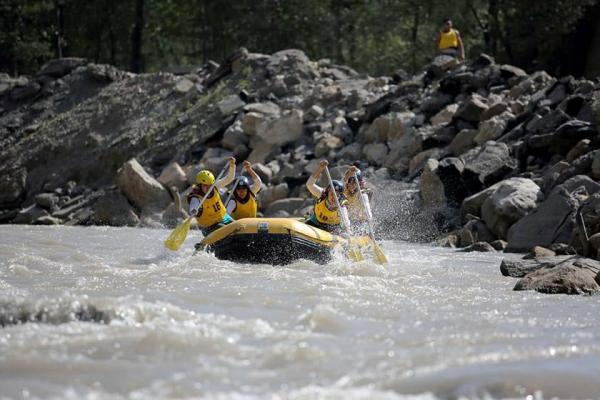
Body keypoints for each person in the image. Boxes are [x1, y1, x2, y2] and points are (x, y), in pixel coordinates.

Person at [187, 157, 236, 236]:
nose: (208, 188)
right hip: (209, 226)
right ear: (200, 185)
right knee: (225, 228)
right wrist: (193, 210)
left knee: (237, 227)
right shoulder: (196, 197)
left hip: (224, 218)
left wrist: (232, 165)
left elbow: (229, 178)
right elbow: (193, 205)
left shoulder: (215, 187)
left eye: (209, 185)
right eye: (205, 186)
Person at [304, 160, 351, 234]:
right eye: (332, 194)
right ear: (328, 192)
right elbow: (309, 184)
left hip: (333, 228)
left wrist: (347, 231)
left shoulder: (342, 204)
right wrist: (320, 168)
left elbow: (346, 221)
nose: (334, 197)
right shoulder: (322, 194)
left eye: (337, 195)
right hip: (317, 221)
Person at [343, 165, 373, 234]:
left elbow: (366, 205)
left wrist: (369, 218)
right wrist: (350, 171)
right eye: (350, 183)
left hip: (361, 221)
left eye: (354, 183)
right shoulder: (344, 189)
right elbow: (344, 180)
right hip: (348, 219)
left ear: (358, 184)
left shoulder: (363, 193)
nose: (351, 185)